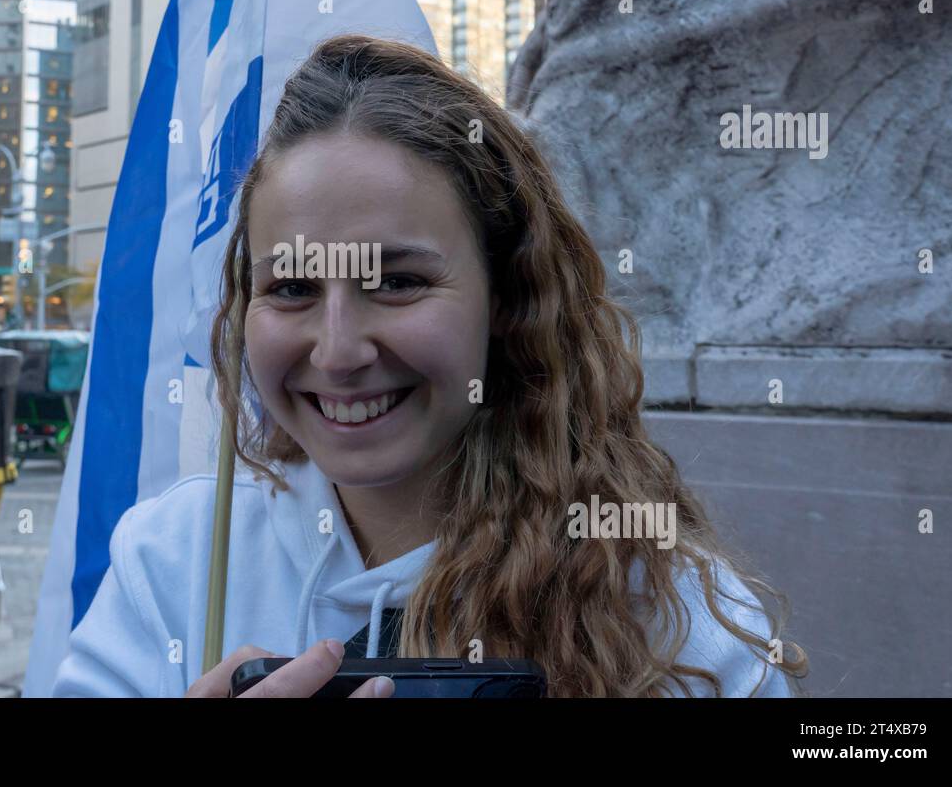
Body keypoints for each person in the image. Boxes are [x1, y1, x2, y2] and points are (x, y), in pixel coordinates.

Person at [52, 35, 808, 699]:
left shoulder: (677, 625)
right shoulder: (172, 561)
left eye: (399, 282)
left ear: (509, 299)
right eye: (290, 289)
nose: (340, 351)